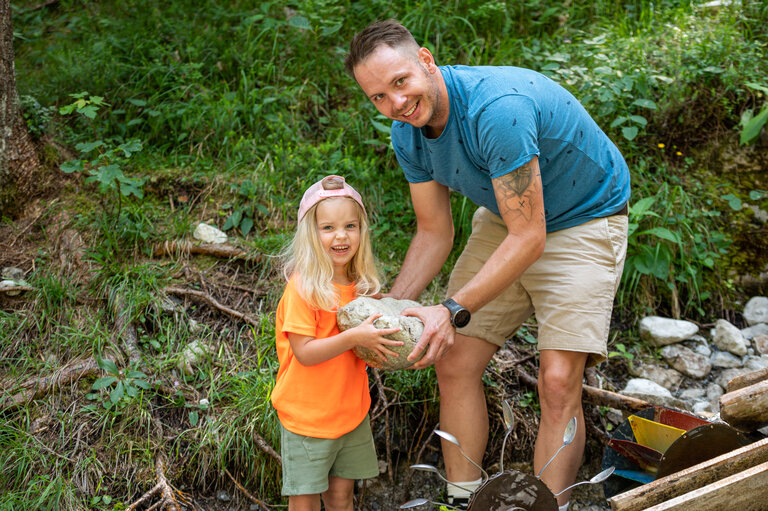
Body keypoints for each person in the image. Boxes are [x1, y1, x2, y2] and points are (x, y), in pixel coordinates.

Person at [345, 19, 630, 510]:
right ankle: (461, 501)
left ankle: (550, 505)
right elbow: (434, 232)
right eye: (378, 96)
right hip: (511, 217)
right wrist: (390, 306)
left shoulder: (497, 110)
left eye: (400, 82)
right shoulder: (407, 133)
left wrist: (449, 308)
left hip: (586, 218)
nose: (396, 103)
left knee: (559, 380)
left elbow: (531, 238)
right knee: (453, 357)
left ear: (427, 61)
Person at [270, 175, 403, 511]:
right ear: (310, 235)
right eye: (327, 227)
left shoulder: (361, 287)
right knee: (305, 500)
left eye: (350, 225)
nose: (341, 236)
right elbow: (305, 353)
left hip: (351, 413)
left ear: (362, 231)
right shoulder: (303, 289)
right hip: (308, 419)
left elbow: (365, 352)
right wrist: (354, 336)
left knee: (342, 496)